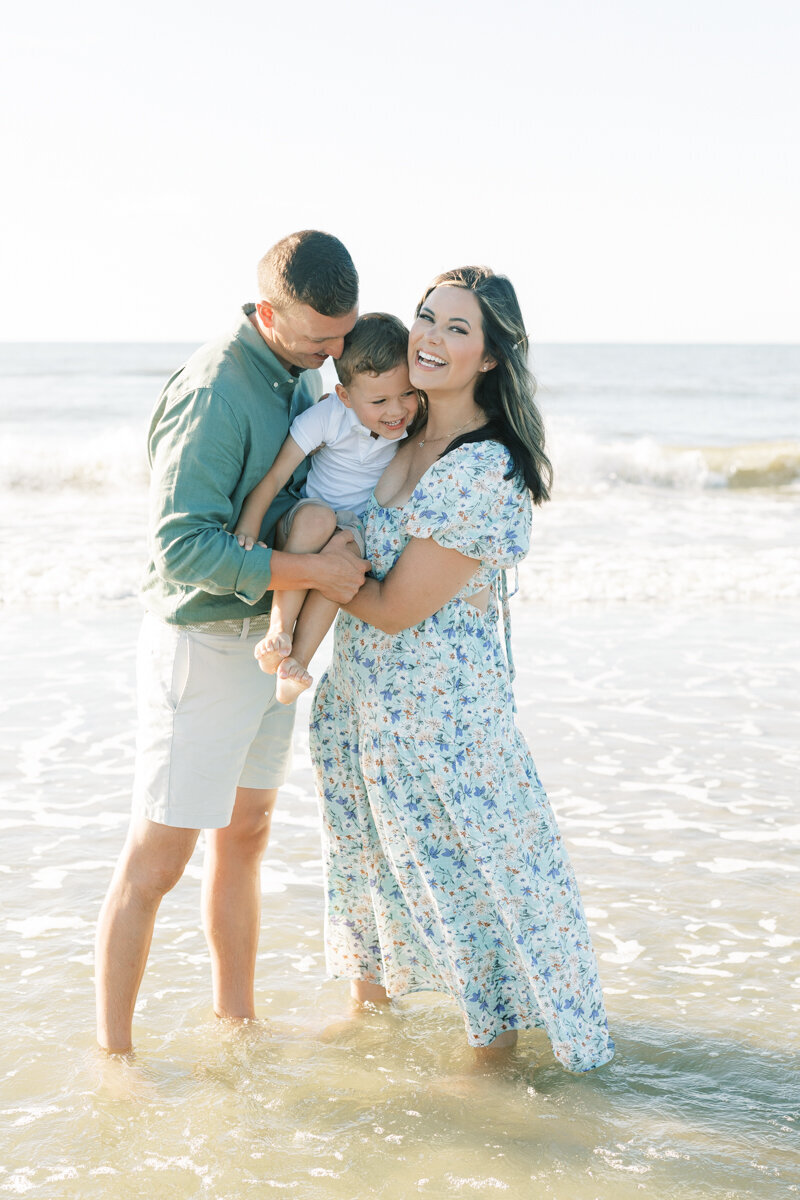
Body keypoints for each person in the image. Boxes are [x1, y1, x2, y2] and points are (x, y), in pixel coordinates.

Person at [310, 266, 614, 1072]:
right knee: (366, 855)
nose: (431, 339)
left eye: (456, 329)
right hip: (363, 702)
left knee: (470, 879)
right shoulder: (391, 429)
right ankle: (369, 1010)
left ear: (488, 358)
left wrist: (307, 567)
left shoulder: (486, 468)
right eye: (425, 318)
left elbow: (394, 605)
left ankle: (496, 1050)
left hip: (445, 720)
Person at [95, 230, 370, 1054]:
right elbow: (180, 547)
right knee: (156, 861)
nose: (337, 354)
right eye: (322, 339)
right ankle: (114, 1057)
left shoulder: (305, 367)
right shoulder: (216, 389)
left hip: (267, 639)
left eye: (344, 335)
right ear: (266, 314)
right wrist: (312, 567)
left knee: (246, 834)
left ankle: (236, 1019)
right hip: (202, 647)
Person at [234, 313, 419, 705]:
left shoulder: (412, 423)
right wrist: (248, 526)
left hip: (355, 528)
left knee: (346, 561)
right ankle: (278, 630)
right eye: (380, 400)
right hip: (308, 515)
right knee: (320, 521)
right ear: (345, 395)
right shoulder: (328, 415)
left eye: (407, 393)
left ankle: (295, 664)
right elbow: (275, 476)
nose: (396, 410)